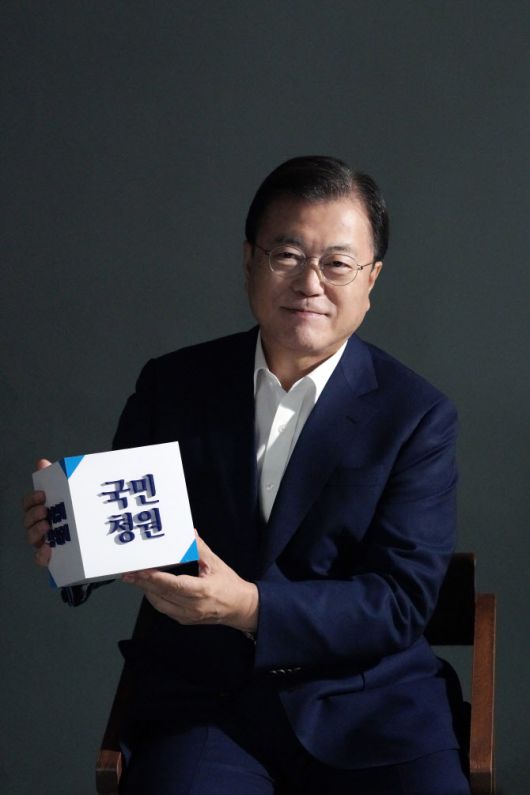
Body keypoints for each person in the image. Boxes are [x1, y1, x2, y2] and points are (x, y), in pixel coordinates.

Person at [24, 156, 470, 794]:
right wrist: (68, 542)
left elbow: (400, 601)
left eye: (337, 263)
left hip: (369, 705)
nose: (309, 283)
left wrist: (252, 608)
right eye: (287, 255)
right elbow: (130, 529)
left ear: (371, 280)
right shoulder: (173, 384)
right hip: (206, 707)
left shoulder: (416, 416)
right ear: (249, 261)